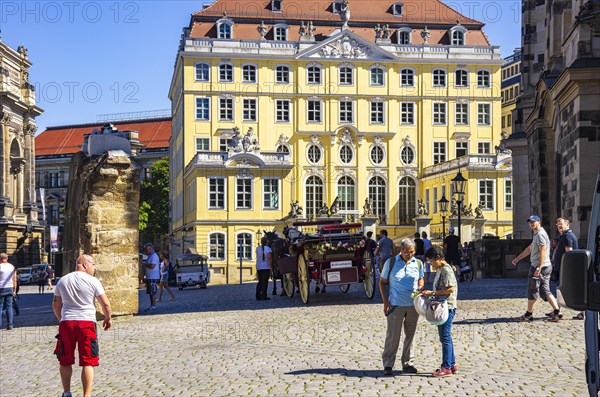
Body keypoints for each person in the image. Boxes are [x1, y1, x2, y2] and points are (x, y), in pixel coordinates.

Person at [52, 254, 112, 397]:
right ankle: (86, 395)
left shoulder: (62, 281)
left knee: (65, 359)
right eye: (94, 265)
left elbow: (55, 304)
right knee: (87, 361)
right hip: (86, 323)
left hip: (67, 323)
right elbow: (106, 305)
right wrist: (107, 318)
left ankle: (66, 393)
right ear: (85, 265)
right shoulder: (93, 281)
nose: (95, 269)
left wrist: (62, 319)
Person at [379, 238, 424, 376]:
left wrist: (421, 286)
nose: (409, 254)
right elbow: (382, 282)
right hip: (396, 305)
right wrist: (385, 302)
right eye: (406, 252)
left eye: (412, 252)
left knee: (410, 335)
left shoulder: (418, 263)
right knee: (393, 336)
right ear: (401, 250)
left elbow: (421, 277)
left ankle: (408, 363)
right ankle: (388, 363)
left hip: (413, 305)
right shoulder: (391, 262)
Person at [511, 215, 562, 322]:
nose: (531, 224)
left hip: (540, 267)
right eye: (530, 222)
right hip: (546, 266)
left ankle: (528, 314)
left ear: (539, 222)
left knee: (532, 290)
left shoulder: (540, 235)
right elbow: (530, 248)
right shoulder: (537, 234)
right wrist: (518, 258)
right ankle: (557, 312)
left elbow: (543, 251)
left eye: (533, 222)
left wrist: (539, 266)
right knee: (545, 290)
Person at [421, 246, 458, 376]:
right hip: (443, 305)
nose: (430, 264)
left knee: (445, 337)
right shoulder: (440, 269)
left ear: (438, 258)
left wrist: (432, 293)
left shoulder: (446, 270)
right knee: (445, 337)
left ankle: (446, 367)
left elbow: (450, 289)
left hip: (446, 307)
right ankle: (452, 364)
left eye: (431, 261)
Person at [552, 217, 580, 320]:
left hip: (566, 269)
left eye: (561, 224)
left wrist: (566, 269)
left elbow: (569, 253)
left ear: (567, 225)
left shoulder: (567, 236)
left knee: (570, 290)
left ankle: (582, 312)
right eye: (557, 224)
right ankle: (557, 311)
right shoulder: (565, 235)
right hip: (565, 268)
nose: (559, 225)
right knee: (562, 290)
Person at [0, 253, 16, 330]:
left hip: (1, 288)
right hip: (10, 287)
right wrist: (14, 290)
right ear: (7, 259)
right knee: (9, 307)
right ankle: (10, 325)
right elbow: (14, 279)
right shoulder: (12, 267)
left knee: (0, 307)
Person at [144, 243, 160, 312]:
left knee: (152, 292)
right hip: (150, 277)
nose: (146, 251)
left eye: (147, 250)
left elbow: (152, 266)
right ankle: (151, 305)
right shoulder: (151, 256)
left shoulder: (154, 256)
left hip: (153, 276)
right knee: (150, 292)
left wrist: (145, 264)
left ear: (150, 249)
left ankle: (153, 306)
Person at [255, 236, 272, 301]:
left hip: (259, 266)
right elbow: (269, 258)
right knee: (265, 282)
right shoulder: (268, 248)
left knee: (260, 282)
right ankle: (264, 296)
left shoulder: (257, 248)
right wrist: (270, 267)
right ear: (267, 241)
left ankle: (258, 296)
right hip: (265, 267)